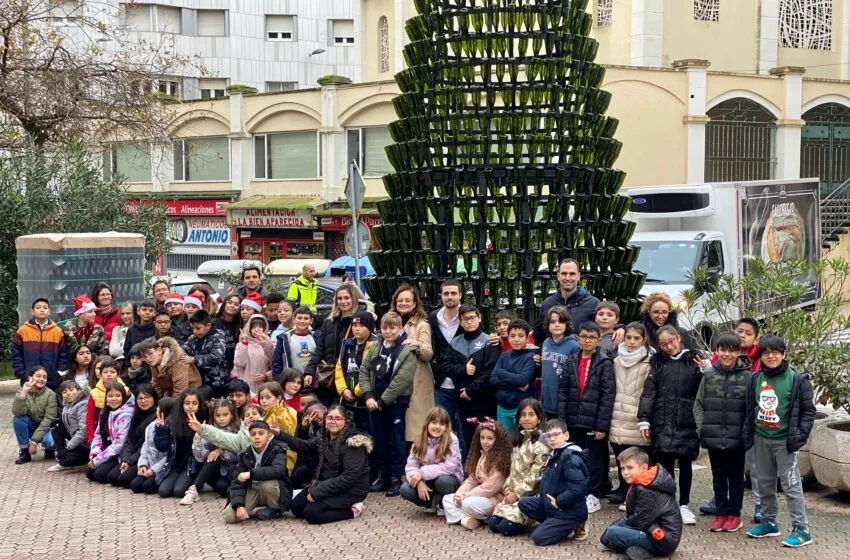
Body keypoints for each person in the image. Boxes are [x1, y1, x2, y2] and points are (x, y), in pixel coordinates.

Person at [744, 335, 815, 548]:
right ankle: (769, 523)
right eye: (766, 353)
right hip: (760, 438)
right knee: (765, 483)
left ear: (784, 354)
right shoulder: (755, 379)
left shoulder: (797, 379)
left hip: (786, 442)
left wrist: (799, 436)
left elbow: (808, 411)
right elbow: (750, 408)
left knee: (791, 485)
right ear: (761, 356)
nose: (771, 356)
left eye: (776, 352)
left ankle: (802, 530)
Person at [638, 325, 703, 525]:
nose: (669, 346)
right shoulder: (658, 364)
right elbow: (649, 392)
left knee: (685, 465)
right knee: (664, 466)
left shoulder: (694, 360)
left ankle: (684, 504)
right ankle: (668, 504)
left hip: (686, 420)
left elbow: (704, 387)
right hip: (662, 420)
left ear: (678, 338)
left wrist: (706, 370)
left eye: (671, 341)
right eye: (663, 344)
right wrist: (643, 418)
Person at [694, 332, 751, 533]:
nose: (727, 354)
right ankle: (720, 513)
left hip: (737, 438)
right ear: (717, 351)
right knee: (718, 477)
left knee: (735, 478)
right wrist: (702, 428)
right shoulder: (709, 375)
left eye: (731, 350)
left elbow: (751, 408)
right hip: (713, 435)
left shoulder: (747, 376)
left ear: (738, 352)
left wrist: (745, 432)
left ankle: (734, 514)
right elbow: (698, 404)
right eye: (723, 349)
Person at [279, 404, 373, 524]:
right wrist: (279, 434)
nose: (333, 422)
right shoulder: (324, 436)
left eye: (338, 419)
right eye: (330, 418)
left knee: (312, 513)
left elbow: (349, 477)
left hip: (351, 489)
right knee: (296, 507)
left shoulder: (354, 443)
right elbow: (304, 446)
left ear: (346, 421)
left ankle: (353, 510)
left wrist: (317, 492)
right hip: (328, 483)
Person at [557, 321, 616, 513]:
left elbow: (608, 395)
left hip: (593, 420)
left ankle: (594, 493)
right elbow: (563, 392)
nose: (587, 340)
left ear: (598, 339)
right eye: (584, 336)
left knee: (595, 459)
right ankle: (578, 491)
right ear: (578, 338)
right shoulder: (571, 359)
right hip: (573, 419)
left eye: (592, 337)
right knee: (576, 457)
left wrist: (602, 426)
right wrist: (561, 420)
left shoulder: (604, 362)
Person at [359, 311, 417, 496]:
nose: (388, 331)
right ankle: (383, 478)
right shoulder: (375, 348)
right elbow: (364, 371)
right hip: (373, 403)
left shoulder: (407, 350)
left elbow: (402, 379)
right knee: (379, 440)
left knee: (397, 441)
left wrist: (383, 401)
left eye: (392, 328)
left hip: (395, 403)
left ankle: (395, 478)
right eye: (384, 327)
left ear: (400, 328)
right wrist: (368, 395)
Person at [600, 447, 683, 560]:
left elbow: (639, 520)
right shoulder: (644, 483)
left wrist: (609, 533)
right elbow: (632, 515)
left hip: (663, 541)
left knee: (613, 533)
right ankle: (637, 549)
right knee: (613, 529)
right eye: (622, 468)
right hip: (653, 532)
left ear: (644, 468)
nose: (625, 472)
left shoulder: (646, 490)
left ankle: (643, 550)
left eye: (630, 468)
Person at [437, 304, 500, 451]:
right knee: (467, 439)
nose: (469, 322)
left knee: (487, 438)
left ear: (479, 318)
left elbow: (490, 372)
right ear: (460, 321)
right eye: (465, 319)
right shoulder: (455, 342)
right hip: (462, 401)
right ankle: (470, 471)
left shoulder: (488, 341)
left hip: (484, 400)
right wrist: (463, 370)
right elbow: (445, 367)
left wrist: (471, 390)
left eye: (472, 318)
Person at [518, 418, 590, 546]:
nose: (552, 439)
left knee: (539, 538)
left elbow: (579, 488)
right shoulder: (555, 453)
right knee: (524, 503)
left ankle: (575, 524)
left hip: (567, 510)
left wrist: (559, 501)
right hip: (552, 505)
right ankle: (555, 524)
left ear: (566, 435)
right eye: (548, 436)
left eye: (556, 434)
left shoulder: (570, 458)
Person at [488, 399, 550, 537]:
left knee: (506, 528)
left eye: (531, 414)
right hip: (511, 495)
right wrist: (508, 489)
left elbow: (536, 477)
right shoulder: (517, 442)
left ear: (539, 418)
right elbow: (512, 471)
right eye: (523, 415)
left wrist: (517, 495)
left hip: (528, 497)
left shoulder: (542, 445)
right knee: (493, 524)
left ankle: (531, 520)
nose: (526, 418)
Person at [608, 322, 653, 505]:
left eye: (637, 338)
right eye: (628, 337)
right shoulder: (616, 360)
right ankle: (624, 489)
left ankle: (638, 494)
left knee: (638, 456)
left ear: (644, 340)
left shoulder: (650, 361)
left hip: (637, 415)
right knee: (621, 455)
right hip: (617, 413)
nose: (632, 342)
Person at [442, 418, 511, 530]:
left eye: (490, 438)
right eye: (482, 437)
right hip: (478, 496)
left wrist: (466, 496)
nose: (485, 441)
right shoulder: (481, 455)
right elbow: (471, 480)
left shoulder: (501, 460)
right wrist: (460, 494)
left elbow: (490, 488)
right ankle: (468, 519)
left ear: (498, 440)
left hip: (495, 499)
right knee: (448, 499)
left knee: (468, 503)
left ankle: (475, 517)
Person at [390, 284, 436, 444]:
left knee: (417, 431)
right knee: (397, 431)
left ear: (415, 303)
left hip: (417, 383)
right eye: (400, 300)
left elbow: (428, 353)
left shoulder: (422, 325)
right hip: (394, 383)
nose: (403, 303)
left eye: (407, 300)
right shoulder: (389, 323)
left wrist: (416, 345)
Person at [222, 420, 293, 523]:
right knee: (229, 517)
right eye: (253, 434)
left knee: (268, 484)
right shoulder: (245, 454)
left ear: (269, 436)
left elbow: (278, 470)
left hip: (272, 491)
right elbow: (237, 481)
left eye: (261, 433)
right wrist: (239, 505)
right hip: (253, 490)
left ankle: (275, 509)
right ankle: (253, 509)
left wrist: (251, 474)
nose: (257, 437)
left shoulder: (278, 449)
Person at [401, 406, 464, 514]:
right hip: (427, 480)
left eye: (442, 424)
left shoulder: (452, 439)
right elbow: (411, 465)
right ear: (427, 423)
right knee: (405, 489)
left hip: (449, 480)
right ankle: (431, 503)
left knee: (443, 481)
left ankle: (445, 503)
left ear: (446, 427)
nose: (437, 427)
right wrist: (419, 482)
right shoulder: (420, 439)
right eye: (434, 422)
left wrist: (422, 473)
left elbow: (449, 467)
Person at [304, 283, 359, 401]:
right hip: (328, 377)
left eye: (346, 298)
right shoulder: (329, 322)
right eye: (339, 298)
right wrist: (309, 371)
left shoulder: (359, 322)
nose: (343, 301)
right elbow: (320, 349)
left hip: (349, 378)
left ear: (353, 299)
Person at [181, 398, 241, 505]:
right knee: (213, 457)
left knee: (222, 488)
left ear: (232, 415)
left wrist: (222, 452)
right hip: (213, 470)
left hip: (232, 471)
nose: (221, 419)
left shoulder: (238, 430)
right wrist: (197, 440)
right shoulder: (208, 430)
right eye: (218, 415)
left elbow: (240, 455)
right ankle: (193, 491)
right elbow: (201, 458)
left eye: (225, 415)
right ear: (213, 416)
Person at [428, 280, 465, 447]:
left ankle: (465, 469)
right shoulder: (433, 318)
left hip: (464, 383)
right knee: (440, 428)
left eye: (453, 293)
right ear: (441, 296)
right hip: (442, 383)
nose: (450, 297)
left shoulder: (468, 316)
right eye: (446, 294)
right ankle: (442, 465)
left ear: (460, 295)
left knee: (464, 430)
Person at [154, 388, 208, 499]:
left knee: (179, 491)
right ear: (182, 405)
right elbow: (162, 447)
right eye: (187, 403)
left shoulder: (204, 421)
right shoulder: (173, 421)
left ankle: (196, 483)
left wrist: (199, 430)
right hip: (175, 464)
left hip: (191, 465)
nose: (190, 406)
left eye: (194, 403)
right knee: (163, 491)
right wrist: (160, 430)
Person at [532, 259, 600, 346]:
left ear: (578, 276)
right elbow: (538, 334)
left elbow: (605, 329)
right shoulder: (548, 303)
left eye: (572, 274)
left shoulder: (593, 303)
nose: (567, 278)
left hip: (579, 356)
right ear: (558, 276)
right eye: (564, 273)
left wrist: (620, 328)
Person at [490, 319, 537, 432]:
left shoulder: (531, 357)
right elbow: (492, 380)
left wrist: (501, 372)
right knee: (506, 441)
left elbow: (522, 380)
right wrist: (515, 384)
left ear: (527, 337)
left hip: (522, 408)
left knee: (522, 441)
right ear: (508, 337)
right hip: (503, 407)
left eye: (520, 336)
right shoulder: (504, 356)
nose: (516, 339)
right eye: (512, 336)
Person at [11, 298, 68, 390]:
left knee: (51, 403)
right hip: (29, 379)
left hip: (51, 379)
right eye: (38, 307)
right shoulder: (23, 330)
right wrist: (21, 373)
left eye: (45, 308)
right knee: (30, 403)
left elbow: (63, 354)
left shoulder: (57, 332)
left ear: (49, 312)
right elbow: (16, 354)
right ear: (32, 311)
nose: (42, 310)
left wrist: (58, 372)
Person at [335, 311, 377, 435]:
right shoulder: (347, 344)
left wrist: (356, 392)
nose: (357, 328)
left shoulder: (375, 345)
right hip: (347, 398)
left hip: (366, 398)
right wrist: (343, 390)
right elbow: (339, 369)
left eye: (361, 325)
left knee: (366, 433)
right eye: (354, 325)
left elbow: (372, 372)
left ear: (369, 327)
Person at [109, 384, 158, 488]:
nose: (143, 401)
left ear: (154, 399)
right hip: (132, 456)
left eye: (147, 397)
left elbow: (146, 446)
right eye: (140, 398)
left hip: (146, 457)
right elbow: (129, 441)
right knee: (112, 477)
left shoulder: (156, 418)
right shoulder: (135, 416)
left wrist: (130, 461)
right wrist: (125, 460)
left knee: (124, 480)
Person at [86, 383, 135, 484]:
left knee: (99, 474)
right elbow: (98, 435)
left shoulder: (126, 414)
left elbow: (118, 444)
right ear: (106, 398)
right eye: (110, 396)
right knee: (89, 473)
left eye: (117, 396)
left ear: (123, 397)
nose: (114, 399)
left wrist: (98, 460)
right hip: (108, 451)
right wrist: (95, 454)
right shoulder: (105, 412)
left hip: (121, 454)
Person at [130, 397, 177, 495]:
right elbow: (145, 447)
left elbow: (169, 456)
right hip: (150, 464)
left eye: (159, 407)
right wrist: (143, 465)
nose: (157, 409)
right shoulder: (151, 426)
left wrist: (154, 470)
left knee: (148, 487)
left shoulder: (173, 428)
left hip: (162, 468)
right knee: (135, 485)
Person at [540, 305, 580, 419]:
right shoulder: (546, 343)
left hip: (563, 402)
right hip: (546, 400)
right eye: (553, 322)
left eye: (561, 322)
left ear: (567, 324)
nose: (557, 325)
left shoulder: (574, 346)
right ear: (548, 324)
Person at [12, 366, 57, 464]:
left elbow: (49, 419)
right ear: (30, 378)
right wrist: (24, 393)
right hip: (32, 426)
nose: (42, 379)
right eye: (38, 376)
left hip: (47, 428)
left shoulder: (50, 394)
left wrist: (34, 442)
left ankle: (49, 450)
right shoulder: (22, 392)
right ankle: (24, 451)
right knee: (18, 419)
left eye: (44, 377)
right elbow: (17, 412)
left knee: (50, 443)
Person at [182, 310, 229, 399]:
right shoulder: (192, 338)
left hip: (217, 382)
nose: (195, 331)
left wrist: (193, 359)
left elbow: (216, 357)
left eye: (198, 328)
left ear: (208, 326)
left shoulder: (218, 337)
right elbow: (182, 349)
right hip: (199, 380)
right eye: (193, 329)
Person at [139, 336, 203, 398]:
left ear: (159, 350)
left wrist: (168, 406)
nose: (148, 358)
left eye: (150, 353)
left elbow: (180, 391)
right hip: (170, 392)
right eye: (145, 356)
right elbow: (156, 384)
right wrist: (160, 401)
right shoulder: (154, 362)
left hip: (190, 393)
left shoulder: (178, 361)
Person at [48, 380, 90, 471]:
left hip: (86, 444)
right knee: (56, 424)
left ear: (79, 390)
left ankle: (87, 458)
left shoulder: (83, 404)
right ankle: (61, 456)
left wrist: (68, 448)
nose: (68, 393)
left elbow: (84, 432)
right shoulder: (67, 404)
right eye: (64, 392)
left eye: (71, 390)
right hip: (75, 439)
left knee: (66, 460)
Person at [256, 382, 298, 472]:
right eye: (261, 398)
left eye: (268, 397)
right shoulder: (267, 413)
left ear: (278, 398)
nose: (263, 401)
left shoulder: (285, 412)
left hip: (282, 460)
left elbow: (289, 434)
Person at [233, 313, 274, 394]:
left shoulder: (270, 344)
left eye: (260, 327)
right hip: (246, 384)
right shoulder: (241, 344)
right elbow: (240, 363)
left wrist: (266, 376)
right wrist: (244, 345)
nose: (256, 330)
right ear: (249, 328)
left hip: (264, 386)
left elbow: (275, 363)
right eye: (253, 327)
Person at [271, 306, 316, 376]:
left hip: (313, 379)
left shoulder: (316, 337)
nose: (302, 321)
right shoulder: (284, 339)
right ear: (294, 319)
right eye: (299, 318)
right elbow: (277, 362)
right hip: (291, 380)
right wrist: (278, 380)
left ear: (311, 321)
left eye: (306, 318)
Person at [213, 294, 243, 374]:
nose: (232, 306)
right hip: (217, 368)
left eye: (236, 304)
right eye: (229, 302)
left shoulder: (241, 325)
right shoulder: (213, 323)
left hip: (235, 367)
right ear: (224, 304)